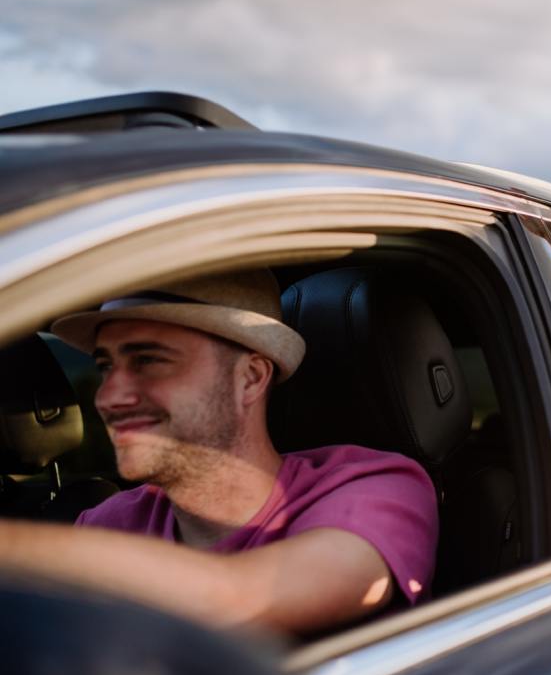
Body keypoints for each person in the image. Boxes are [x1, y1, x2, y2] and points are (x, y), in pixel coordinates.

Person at [0, 269, 438, 634]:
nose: (107, 397)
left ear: (250, 378)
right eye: (105, 366)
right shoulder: (108, 523)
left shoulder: (373, 489)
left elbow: (242, 595)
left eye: (148, 360)